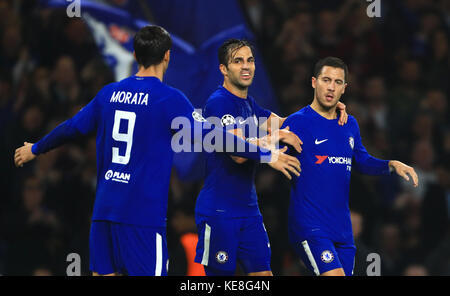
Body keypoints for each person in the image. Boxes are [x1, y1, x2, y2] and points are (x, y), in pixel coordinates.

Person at [13, 26, 301, 276]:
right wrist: (267, 154)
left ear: (136, 56)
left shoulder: (108, 93)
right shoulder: (169, 99)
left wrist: (36, 148)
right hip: (142, 216)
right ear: (167, 56)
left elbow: (72, 127)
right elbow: (214, 136)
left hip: (103, 212)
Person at [193, 39, 347, 276]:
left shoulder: (249, 105)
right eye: (238, 61)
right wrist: (274, 143)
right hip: (220, 211)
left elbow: (290, 124)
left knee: (264, 276)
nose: (246, 66)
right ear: (223, 69)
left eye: (250, 60)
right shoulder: (219, 103)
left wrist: (328, 107)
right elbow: (238, 154)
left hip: (248, 210)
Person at [282, 56, 418, 276]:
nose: (331, 87)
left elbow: (362, 162)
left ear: (344, 88)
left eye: (337, 82)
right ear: (314, 82)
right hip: (310, 225)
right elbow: (274, 157)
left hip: (343, 230)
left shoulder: (350, 123)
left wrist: (391, 164)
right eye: (326, 80)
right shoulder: (297, 122)